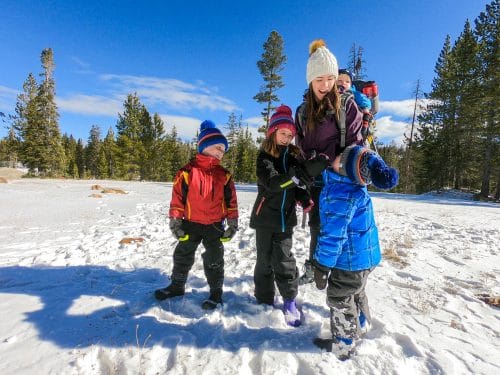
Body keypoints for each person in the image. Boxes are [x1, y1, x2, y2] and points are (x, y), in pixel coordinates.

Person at [312, 144, 398, 357]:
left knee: (340, 296)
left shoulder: (341, 194)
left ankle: (344, 343)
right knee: (357, 290)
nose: (335, 155)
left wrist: (322, 265)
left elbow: (333, 235)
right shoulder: (354, 188)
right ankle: (362, 321)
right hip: (365, 258)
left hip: (349, 261)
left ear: (343, 166)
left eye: (340, 155)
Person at [295, 39, 364, 285]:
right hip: (316, 182)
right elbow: (301, 145)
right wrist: (306, 165)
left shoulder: (347, 107)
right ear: (309, 81)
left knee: (341, 230)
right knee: (317, 226)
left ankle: (344, 282)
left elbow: (357, 146)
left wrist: (334, 160)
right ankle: (315, 268)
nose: (325, 85)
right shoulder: (302, 112)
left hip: (341, 182)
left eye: (330, 78)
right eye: (318, 80)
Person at [154, 120, 238, 310]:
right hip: (190, 223)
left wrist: (232, 223)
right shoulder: (186, 172)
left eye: (223, 150)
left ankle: (216, 293)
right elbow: (177, 199)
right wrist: (175, 220)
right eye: (218, 147)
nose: (221, 152)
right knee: (182, 255)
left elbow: (231, 202)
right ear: (205, 146)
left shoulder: (224, 175)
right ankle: (177, 286)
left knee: (214, 259)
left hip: (215, 225)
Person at [249, 105, 314, 327]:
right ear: (272, 132)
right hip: (265, 218)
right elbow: (275, 183)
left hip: (285, 220)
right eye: (282, 133)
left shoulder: (294, 157)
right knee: (264, 261)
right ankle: (264, 298)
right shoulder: (264, 157)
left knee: (285, 261)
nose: (286, 138)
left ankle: (289, 300)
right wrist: (294, 177)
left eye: (290, 135)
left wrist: (304, 198)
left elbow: (296, 187)